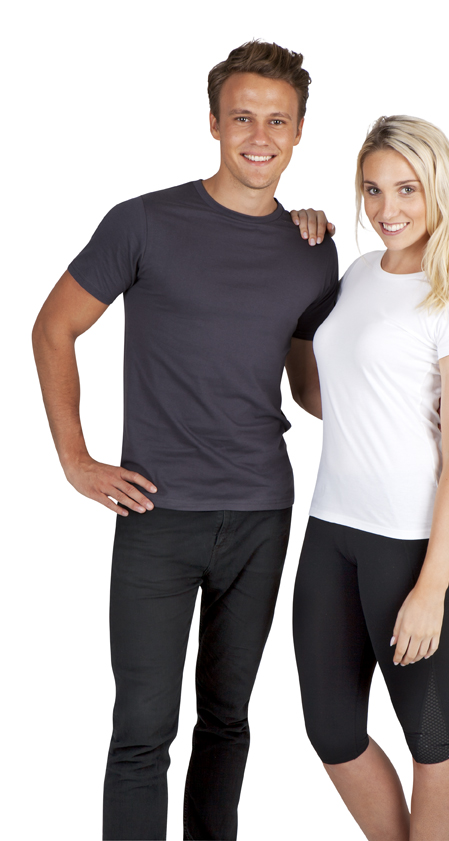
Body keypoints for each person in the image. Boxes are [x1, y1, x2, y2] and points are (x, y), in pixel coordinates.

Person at [32, 40, 337, 841]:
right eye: (242, 117)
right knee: (142, 731)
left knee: (227, 720)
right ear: (213, 123)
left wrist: (414, 412)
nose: (259, 135)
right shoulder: (142, 222)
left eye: (277, 120)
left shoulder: (311, 248)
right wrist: (75, 458)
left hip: (262, 512)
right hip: (157, 515)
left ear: (299, 131)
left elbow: (308, 388)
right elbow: (53, 328)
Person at [291, 115, 449, 841]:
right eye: (373, 189)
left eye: (407, 188)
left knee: (430, 733)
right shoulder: (356, 274)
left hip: (410, 544)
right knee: (330, 728)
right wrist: (298, 268)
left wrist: (431, 588)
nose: (387, 208)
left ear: (438, 188)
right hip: (330, 530)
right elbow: (319, 397)